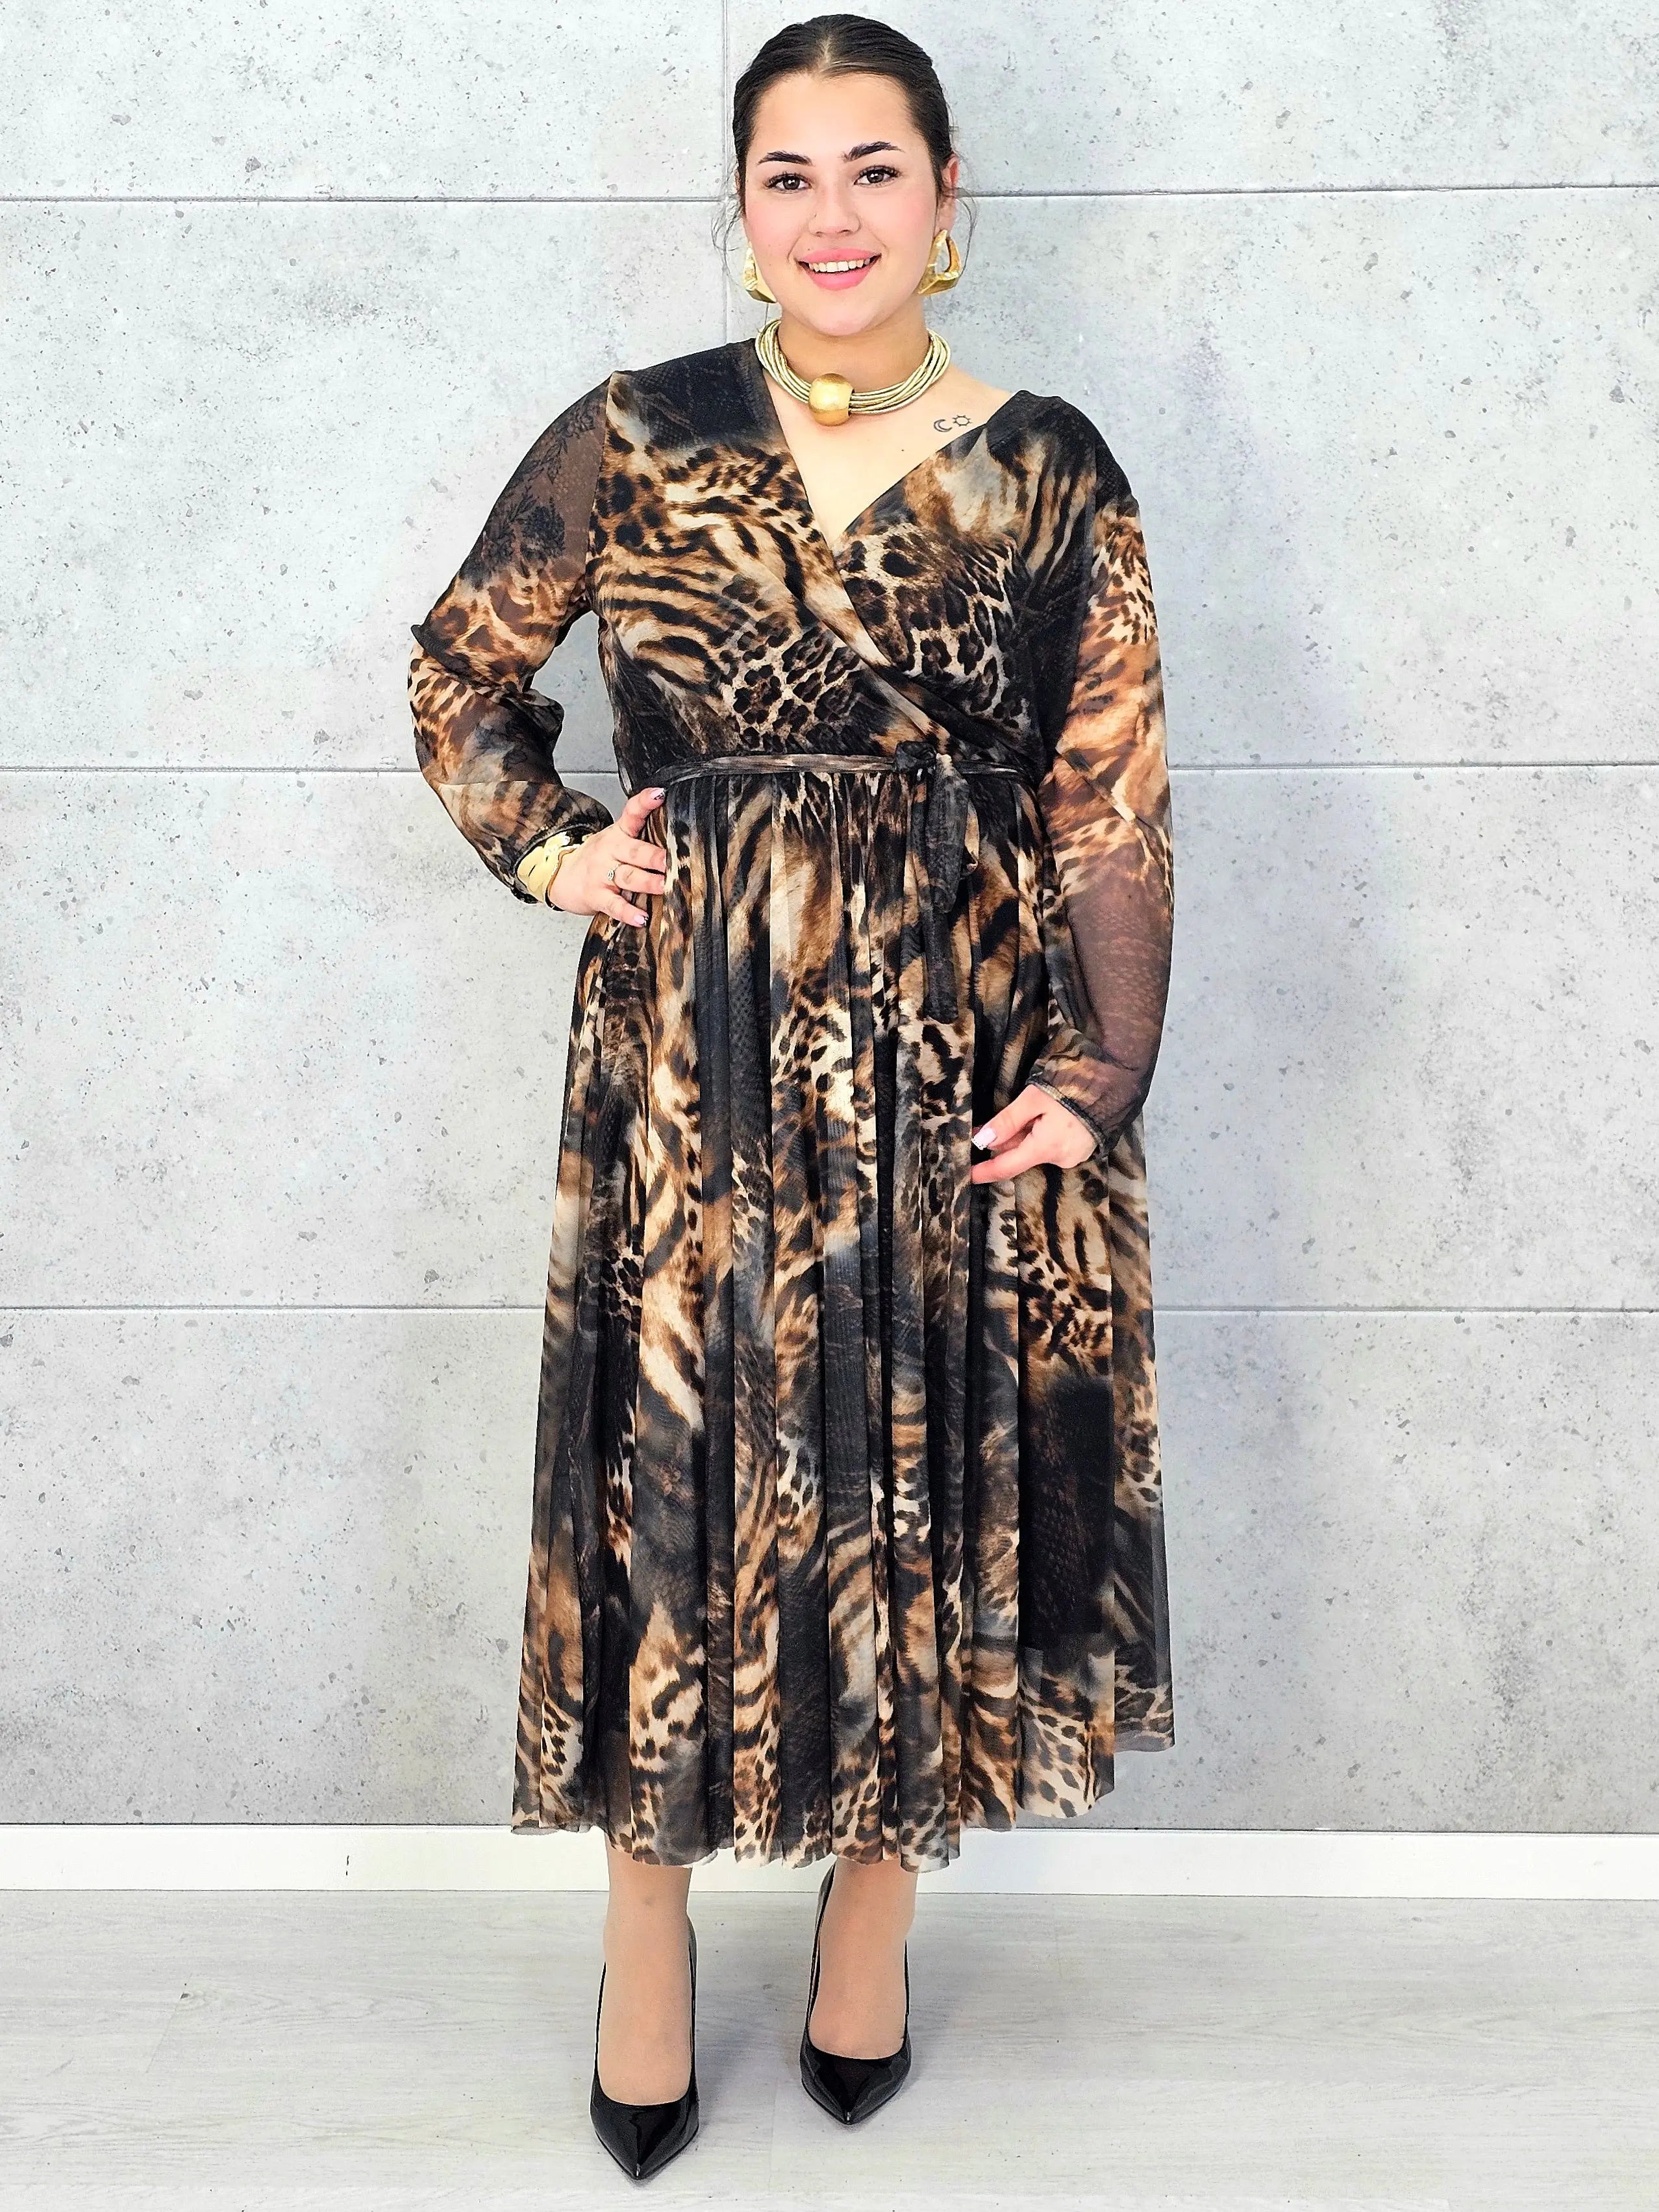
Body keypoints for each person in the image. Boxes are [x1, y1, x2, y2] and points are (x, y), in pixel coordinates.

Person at [407, 11, 1175, 2180]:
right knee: (674, 1481)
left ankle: (870, 1919)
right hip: (694, 1056)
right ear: (741, 211)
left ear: (946, 194)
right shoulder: (635, 436)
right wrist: (554, 849)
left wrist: (1100, 1069)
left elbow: (1107, 789)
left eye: (872, 168)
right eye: (786, 174)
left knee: (919, 1478)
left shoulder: (1051, 463)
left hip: (958, 1057)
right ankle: (642, 1935)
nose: (831, 215)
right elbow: (460, 673)